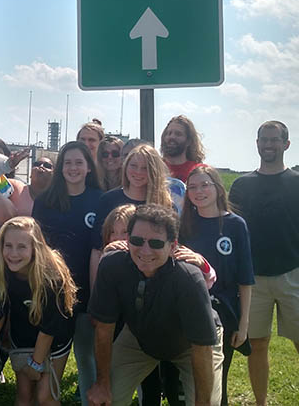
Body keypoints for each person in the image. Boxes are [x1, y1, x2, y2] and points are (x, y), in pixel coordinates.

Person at [228, 121, 299, 406]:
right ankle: (260, 403)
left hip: (293, 276)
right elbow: (234, 228)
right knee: (257, 345)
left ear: (286, 144)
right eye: (263, 139)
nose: (268, 145)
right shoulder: (242, 185)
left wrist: (296, 255)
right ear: (257, 143)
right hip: (253, 280)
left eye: (274, 140)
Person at [87, 204, 224, 406]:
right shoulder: (111, 265)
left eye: (156, 243)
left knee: (207, 403)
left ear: (173, 246)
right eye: (136, 240)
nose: (145, 250)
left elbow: (202, 347)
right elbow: (103, 329)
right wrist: (102, 383)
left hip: (191, 344)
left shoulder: (188, 278)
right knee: (104, 400)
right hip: (138, 337)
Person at [0, 216, 77, 406]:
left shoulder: (51, 277)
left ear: (36, 248)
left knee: (44, 397)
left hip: (55, 340)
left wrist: (36, 362)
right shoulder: (2, 271)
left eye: (22, 247)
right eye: (8, 245)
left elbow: (49, 328)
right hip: (22, 338)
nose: (13, 253)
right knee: (24, 396)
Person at [32, 141, 103, 406]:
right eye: (68, 163)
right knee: (49, 353)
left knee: (87, 357)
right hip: (51, 291)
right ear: (60, 168)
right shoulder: (45, 201)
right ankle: (45, 397)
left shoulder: (100, 199)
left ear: (88, 168)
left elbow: (100, 248)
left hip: (86, 292)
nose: (73, 168)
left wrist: (96, 296)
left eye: (79, 163)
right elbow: (36, 247)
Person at [180, 165, 254, 406]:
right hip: (186, 310)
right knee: (183, 381)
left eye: (204, 185)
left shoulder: (235, 225)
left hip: (223, 313)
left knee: (215, 382)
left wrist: (243, 327)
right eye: (192, 187)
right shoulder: (183, 224)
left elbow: (245, 278)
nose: (198, 191)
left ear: (217, 188)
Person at [160, 115, 205, 183]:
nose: (172, 137)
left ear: (189, 141)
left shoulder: (199, 172)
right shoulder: (153, 168)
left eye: (178, 134)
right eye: (169, 133)